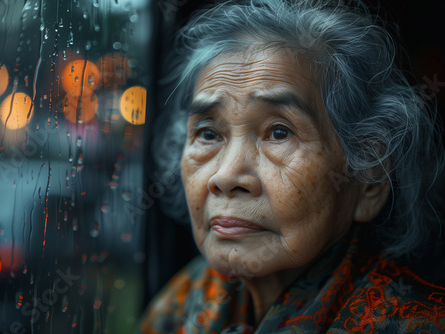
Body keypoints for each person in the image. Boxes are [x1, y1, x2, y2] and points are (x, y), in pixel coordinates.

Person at [138, 0, 445, 332]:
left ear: (368, 178)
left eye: (279, 133)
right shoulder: (180, 306)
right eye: (208, 134)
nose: (225, 177)